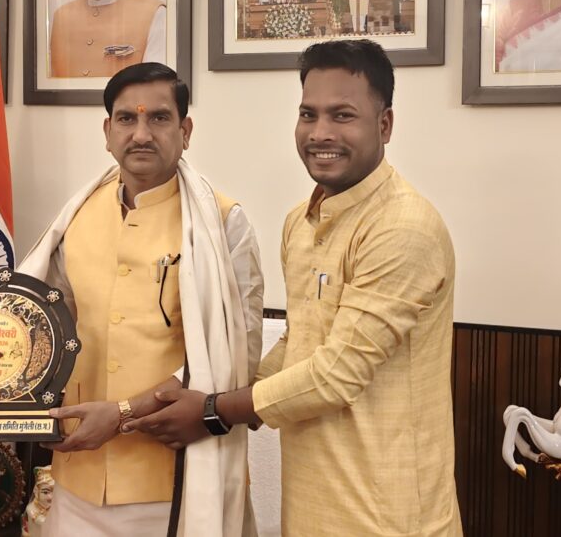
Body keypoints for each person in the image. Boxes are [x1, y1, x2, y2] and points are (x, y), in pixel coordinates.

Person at [127, 40, 462, 537]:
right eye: (309, 114)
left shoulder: (402, 226)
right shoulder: (300, 222)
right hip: (312, 506)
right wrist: (204, 388)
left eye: (342, 115)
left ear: (385, 125)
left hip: (389, 514)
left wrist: (214, 411)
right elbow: (301, 340)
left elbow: (335, 376)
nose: (320, 133)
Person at [28, 63, 264, 537]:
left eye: (158, 118)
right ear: (107, 132)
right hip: (77, 472)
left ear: (185, 131)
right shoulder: (75, 218)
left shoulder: (223, 224)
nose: (141, 134)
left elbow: (237, 355)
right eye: (126, 119)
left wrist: (122, 415)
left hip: (175, 477)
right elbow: (49, 329)